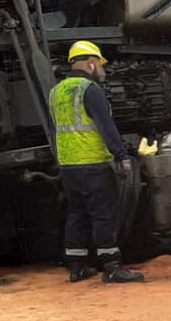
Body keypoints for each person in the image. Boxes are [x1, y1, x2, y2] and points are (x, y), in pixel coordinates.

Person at [49, 40, 144, 284]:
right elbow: (106, 126)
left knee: (77, 214)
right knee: (103, 215)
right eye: (100, 65)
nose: (102, 70)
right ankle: (111, 266)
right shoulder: (89, 90)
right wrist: (121, 155)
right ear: (91, 64)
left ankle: (77, 267)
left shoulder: (56, 91)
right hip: (93, 163)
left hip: (68, 165)